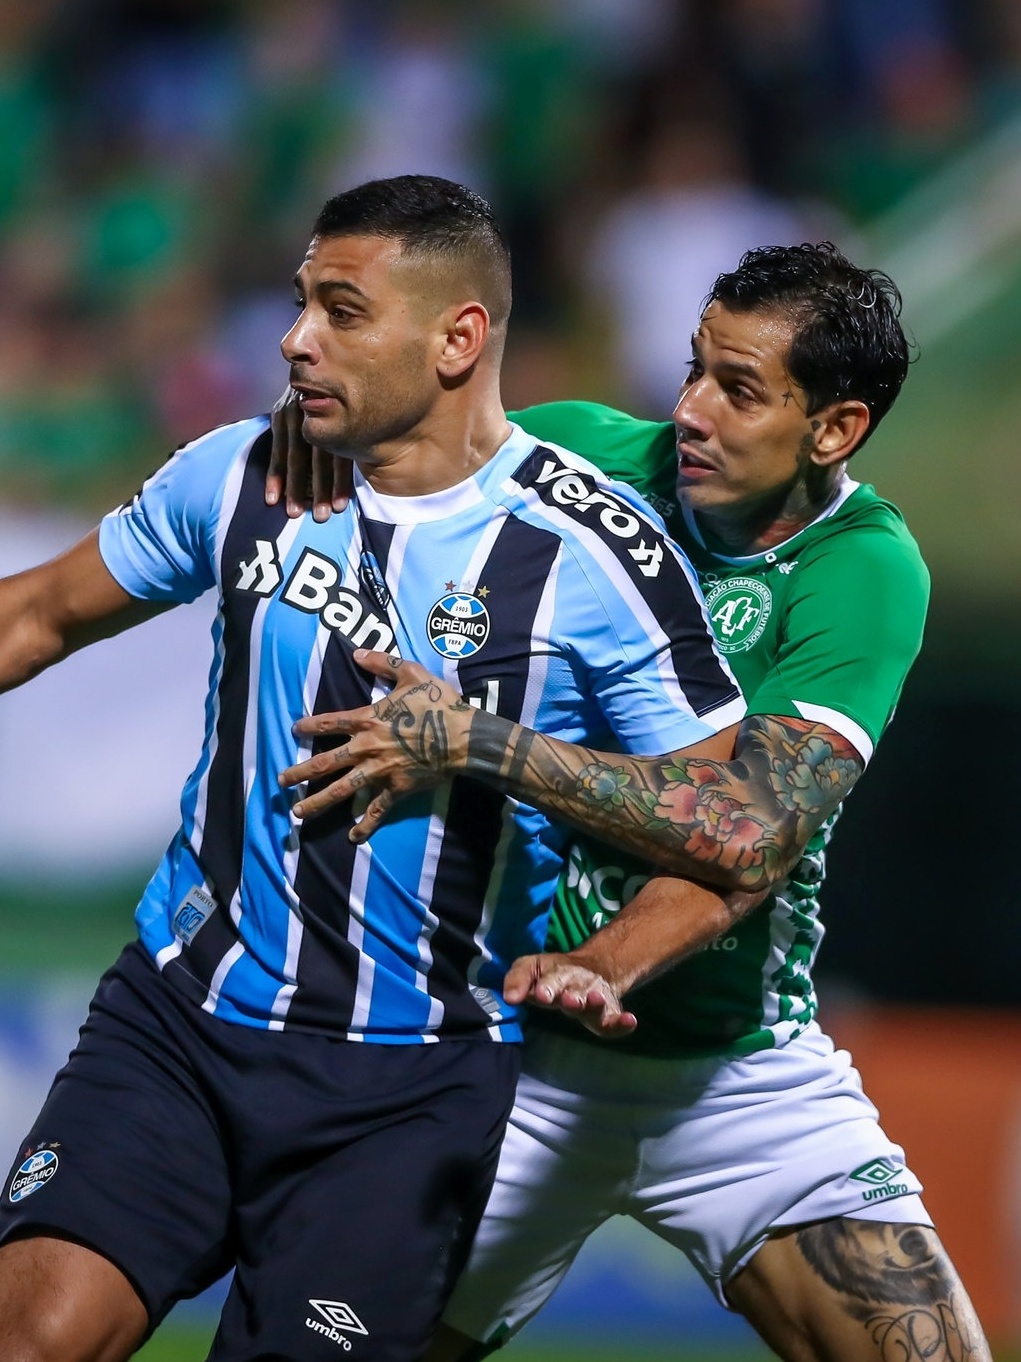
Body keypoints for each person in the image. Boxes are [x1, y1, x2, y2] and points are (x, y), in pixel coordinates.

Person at [0, 175, 755, 1362]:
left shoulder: (591, 556)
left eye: (341, 311)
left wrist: (602, 947)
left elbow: (731, 827)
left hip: (404, 1092)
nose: (295, 338)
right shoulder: (246, 472)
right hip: (177, 1028)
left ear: (458, 337)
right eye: (301, 303)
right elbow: (37, 614)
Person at [273, 243, 992, 1361]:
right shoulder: (573, 461)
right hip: (506, 1057)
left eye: (740, 389)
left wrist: (490, 759)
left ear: (835, 429)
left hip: (739, 1079)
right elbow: (352, 474)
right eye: (693, 369)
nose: (691, 411)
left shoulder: (862, 570)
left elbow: (748, 834)